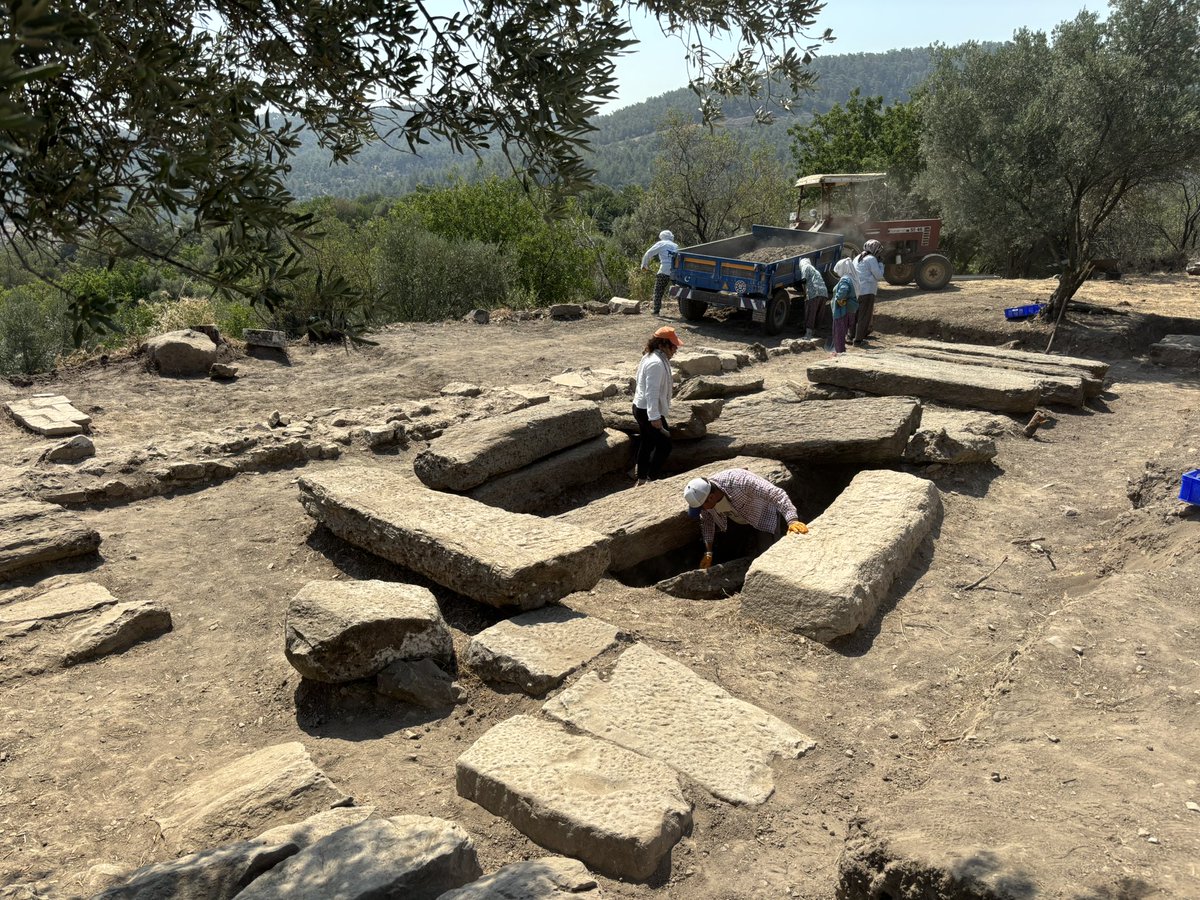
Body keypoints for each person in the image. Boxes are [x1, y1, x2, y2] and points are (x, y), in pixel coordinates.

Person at [683, 469, 808, 570]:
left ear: (711, 498)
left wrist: (792, 520)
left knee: (769, 558)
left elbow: (776, 494)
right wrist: (708, 552)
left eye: (701, 507)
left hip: (762, 515)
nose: (702, 510)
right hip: (735, 520)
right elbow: (707, 522)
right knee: (732, 553)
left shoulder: (740, 481)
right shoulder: (705, 498)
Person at [632, 325, 681, 484]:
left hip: (641, 407)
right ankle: (651, 479)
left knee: (647, 442)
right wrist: (654, 417)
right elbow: (651, 392)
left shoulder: (651, 356)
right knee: (665, 446)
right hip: (648, 411)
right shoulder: (656, 363)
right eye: (673, 346)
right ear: (662, 345)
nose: (676, 350)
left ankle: (641, 478)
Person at [852, 239, 885, 345]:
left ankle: (850, 336)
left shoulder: (857, 258)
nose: (879, 254)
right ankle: (858, 340)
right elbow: (879, 276)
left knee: (855, 315)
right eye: (879, 251)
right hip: (867, 292)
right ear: (875, 250)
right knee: (864, 317)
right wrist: (881, 264)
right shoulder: (871, 259)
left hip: (856, 291)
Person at [640, 229, 679, 315]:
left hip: (664, 270)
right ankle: (683, 310)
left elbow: (648, 253)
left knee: (658, 290)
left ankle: (656, 310)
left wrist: (644, 265)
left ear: (662, 236)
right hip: (676, 272)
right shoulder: (676, 246)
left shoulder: (661, 243)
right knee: (680, 291)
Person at [829, 259, 859, 356]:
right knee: (843, 332)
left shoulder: (845, 279)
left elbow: (843, 291)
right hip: (850, 309)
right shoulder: (853, 278)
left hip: (842, 310)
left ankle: (840, 353)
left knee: (839, 333)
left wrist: (838, 299)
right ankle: (841, 351)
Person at [799, 256, 827, 339]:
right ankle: (816, 332)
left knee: (811, 313)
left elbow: (804, 281)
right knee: (819, 313)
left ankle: (808, 334)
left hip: (814, 293)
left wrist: (805, 294)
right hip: (824, 293)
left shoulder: (805, 267)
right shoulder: (815, 270)